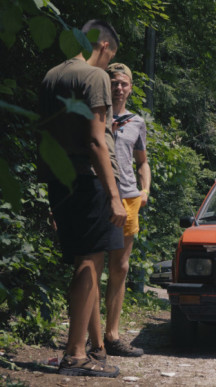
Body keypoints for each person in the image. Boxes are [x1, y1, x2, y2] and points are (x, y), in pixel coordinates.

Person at [39, 20, 125, 377]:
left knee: (81, 258)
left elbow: (44, 133)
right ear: (103, 45)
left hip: (60, 179)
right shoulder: (94, 76)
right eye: (110, 57)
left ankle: (80, 348)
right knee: (90, 261)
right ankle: (75, 354)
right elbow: (95, 141)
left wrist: (50, 191)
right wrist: (115, 195)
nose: (108, 66)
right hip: (90, 181)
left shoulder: (52, 75)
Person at [94, 62, 150, 357]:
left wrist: (145, 189)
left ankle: (112, 335)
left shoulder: (137, 122)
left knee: (121, 266)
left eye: (123, 83)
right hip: (99, 193)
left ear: (129, 88)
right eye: (113, 82)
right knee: (93, 264)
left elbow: (142, 161)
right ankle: (92, 338)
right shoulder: (95, 114)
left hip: (128, 198)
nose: (118, 87)